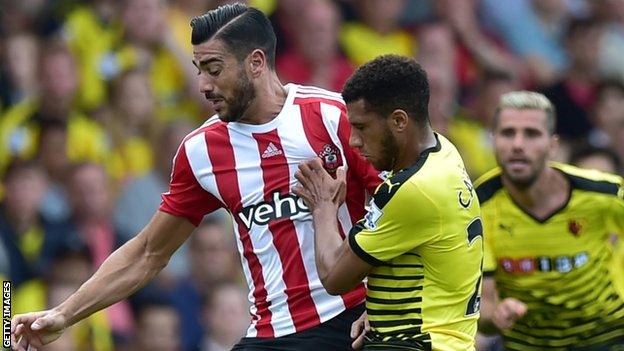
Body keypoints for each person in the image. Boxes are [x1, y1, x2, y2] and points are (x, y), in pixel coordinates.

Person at [10, 3, 380, 351]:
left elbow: (401, 207)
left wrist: (388, 304)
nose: (202, 84)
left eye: (214, 69)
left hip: (354, 320)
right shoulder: (201, 151)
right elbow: (148, 251)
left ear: (255, 62)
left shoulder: (333, 118)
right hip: (274, 332)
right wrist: (64, 313)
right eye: (198, 68)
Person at [294, 55, 483, 350]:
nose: (354, 141)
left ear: (399, 121)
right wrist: (381, 311)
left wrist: (323, 206)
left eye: (362, 127)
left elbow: (333, 276)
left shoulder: (412, 190)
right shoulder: (444, 151)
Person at [476, 91, 624, 350]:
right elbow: (483, 307)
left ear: (553, 145)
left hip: (606, 335)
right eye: (508, 133)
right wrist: (497, 315)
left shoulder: (604, 193)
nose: (518, 144)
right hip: (527, 343)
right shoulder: (478, 206)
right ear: (494, 140)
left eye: (531, 134)